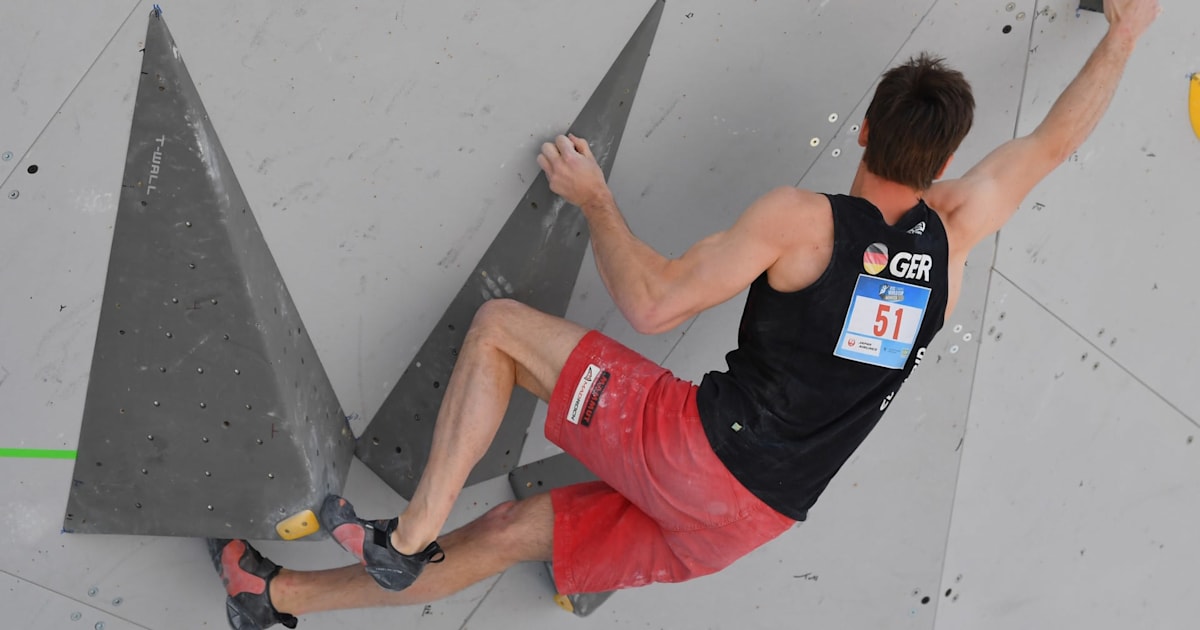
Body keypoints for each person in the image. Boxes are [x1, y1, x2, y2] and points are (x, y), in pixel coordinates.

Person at [209, 1, 1161, 627]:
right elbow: (1048, 146)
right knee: (507, 536)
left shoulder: (805, 222)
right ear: (946, 165)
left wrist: (596, 200)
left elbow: (653, 300)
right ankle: (272, 598)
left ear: (864, 129)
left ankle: (407, 535)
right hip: (747, 525)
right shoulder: (951, 244)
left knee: (500, 333)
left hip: (697, 452)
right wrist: (1125, 33)